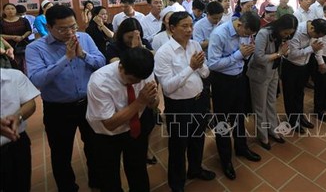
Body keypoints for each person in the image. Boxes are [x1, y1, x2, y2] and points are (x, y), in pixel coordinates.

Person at [26, 5, 106, 191]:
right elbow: (37, 79)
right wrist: (66, 58)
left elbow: (101, 62)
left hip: (88, 103)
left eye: (73, 27)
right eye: (63, 29)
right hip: (58, 109)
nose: (70, 32)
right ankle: (67, 187)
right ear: (50, 27)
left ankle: (98, 181)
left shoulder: (84, 38)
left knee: (95, 147)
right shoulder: (36, 48)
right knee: (61, 153)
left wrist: (83, 55)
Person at [155, 12, 216, 191]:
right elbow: (167, 87)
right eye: (184, 26)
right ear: (172, 28)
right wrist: (191, 67)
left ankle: (195, 169)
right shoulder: (164, 53)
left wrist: (201, 67)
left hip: (199, 100)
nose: (189, 30)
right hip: (179, 106)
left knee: (198, 138)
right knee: (178, 146)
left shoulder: (195, 44)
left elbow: (205, 73)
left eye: (191, 25)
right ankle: (177, 183)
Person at [87, 47, 159, 192]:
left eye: (140, 80)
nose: (136, 83)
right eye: (132, 80)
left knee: (138, 170)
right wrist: (140, 101)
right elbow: (110, 124)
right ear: (121, 67)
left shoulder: (144, 72)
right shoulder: (99, 81)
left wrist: (152, 100)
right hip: (106, 136)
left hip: (134, 128)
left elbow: (154, 105)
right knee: (109, 177)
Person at [207, 11, 262, 180]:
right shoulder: (219, 34)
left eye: (250, 35)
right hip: (222, 82)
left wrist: (247, 53)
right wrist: (239, 55)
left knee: (239, 116)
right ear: (239, 24)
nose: (247, 37)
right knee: (222, 120)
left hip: (239, 78)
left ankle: (241, 147)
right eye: (247, 33)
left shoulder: (245, 32)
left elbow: (242, 55)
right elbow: (213, 64)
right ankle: (225, 159)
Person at [247, 14, 297, 150]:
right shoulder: (264, 33)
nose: (287, 36)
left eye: (290, 34)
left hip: (273, 71)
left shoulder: (283, 36)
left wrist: (285, 52)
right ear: (280, 27)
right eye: (286, 32)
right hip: (259, 73)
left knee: (271, 102)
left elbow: (284, 52)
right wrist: (279, 54)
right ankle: (262, 135)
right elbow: (259, 58)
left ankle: (273, 130)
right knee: (260, 106)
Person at [281, 18, 326, 133]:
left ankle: (300, 117)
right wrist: (311, 48)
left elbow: (317, 46)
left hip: (304, 65)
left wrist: (320, 60)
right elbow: (292, 54)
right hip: (291, 66)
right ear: (311, 28)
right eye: (316, 35)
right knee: (290, 94)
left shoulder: (316, 31)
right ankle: (292, 122)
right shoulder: (296, 32)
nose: (317, 38)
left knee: (300, 93)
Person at [1, 68, 40, 192]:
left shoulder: (13, 76)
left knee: (21, 184)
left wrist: (18, 116)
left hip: (17, 143)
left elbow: (30, 103)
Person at [1, 3, 32, 73]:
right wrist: (12, 37)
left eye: (12, 8)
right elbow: (0, 35)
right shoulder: (1, 22)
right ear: (4, 11)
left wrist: (22, 37)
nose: (10, 11)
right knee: (14, 66)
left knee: (27, 64)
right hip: (9, 47)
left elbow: (29, 31)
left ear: (16, 10)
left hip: (24, 44)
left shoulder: (24, 20)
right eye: (8, 9)